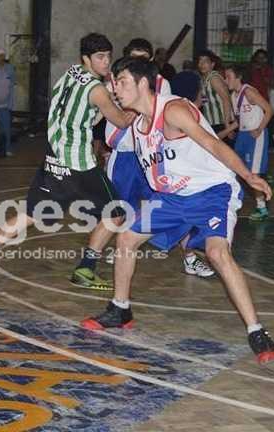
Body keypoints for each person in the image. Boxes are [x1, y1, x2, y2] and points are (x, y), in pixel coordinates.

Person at [81, 57, 274, 365]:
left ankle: (256, 330)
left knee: (217, 254)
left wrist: (248, 175)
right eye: (114, 83)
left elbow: (213, 145)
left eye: (121, 82)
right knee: (126, 238)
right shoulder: (137, 124)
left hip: (212, 192)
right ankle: (120, 309)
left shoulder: (173, 110)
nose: (115, 88)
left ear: (143, 83)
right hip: (173, 198)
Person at [0, 33, 134, 284]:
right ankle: (85, 268)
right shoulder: (97, 90)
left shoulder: (71, 72)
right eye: (100, 57)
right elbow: (121, 121)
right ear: (86, 58)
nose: (106, 61)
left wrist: (106, 102)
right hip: (78, 164)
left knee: (31, 213)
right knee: (116, 213)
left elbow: (84, 113)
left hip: (54, 160)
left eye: (108, 56)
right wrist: (137, 103)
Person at [73, 38, 214, 291]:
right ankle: (87, 265)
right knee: (116, 213)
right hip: (124, 157)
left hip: (153, 156)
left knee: (174, 206)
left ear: (150, 61)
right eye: (133, 57)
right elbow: (92, 120)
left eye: (142, 58)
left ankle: (190, 258)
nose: (137, 62)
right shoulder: (112, 84)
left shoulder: (162, 84)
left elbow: (167, 118)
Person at [226, 63, 273, 221]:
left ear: (238, 77)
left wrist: (259, 129)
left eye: (228, 77)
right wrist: (224, 133)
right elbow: (239, 120)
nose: (226, 80)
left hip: (255, 135)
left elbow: (269, 109)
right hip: (243, 135)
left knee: (253, 173)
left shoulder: (249, 92)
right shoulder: (234, 96)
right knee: (236, 168)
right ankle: (233, 200)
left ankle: (262, 207)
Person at [197, 50, 234, 143]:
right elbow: (200, 102)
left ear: (212, 64)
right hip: (212, 123)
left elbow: (226, 99)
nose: (202, 64)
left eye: (205, 61)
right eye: (200, 61)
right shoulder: (203, 79)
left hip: (221, 123)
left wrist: (227, 125)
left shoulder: (214, 78)